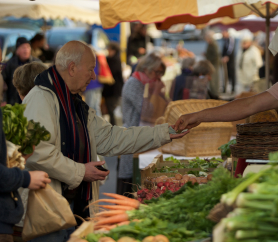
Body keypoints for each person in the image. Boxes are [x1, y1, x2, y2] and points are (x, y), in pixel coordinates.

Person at [20, 41, 187, 242]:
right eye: (90, 69)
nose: (93, 76)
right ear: (72, 68)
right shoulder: (41, 99)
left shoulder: (75, 104)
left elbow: (113, 137)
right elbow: (37, 153)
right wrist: (82, 171)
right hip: (48, 213)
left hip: (71, 207)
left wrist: (163, 133)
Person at [0, 48, 51, 242]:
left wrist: (20, 161)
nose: (3, 85)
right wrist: (25, 176)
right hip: (24, 211)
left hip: (19, 213)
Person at [119, 52, 166, 196]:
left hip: (141, 138)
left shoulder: (145, 84)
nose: (159, 77)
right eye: (157, 72)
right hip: (132, 139)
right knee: (129, 182)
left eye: (161, 73)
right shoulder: (134, 84)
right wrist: (157, 92)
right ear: (147, 69)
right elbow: (147, 111)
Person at [2, 37, 41, 105]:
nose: (26, 50)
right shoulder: (10, 64)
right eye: (23, 47)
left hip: (33, 103)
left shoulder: (37, 64)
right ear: (17, 50)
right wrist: (3, 100)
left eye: (28, 47)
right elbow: (3, 83)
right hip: (14, 103)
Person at [102, 42, 124, 126]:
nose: (107, 50)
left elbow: (111, 73)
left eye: (109, 49)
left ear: (113, 50)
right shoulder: (114, 59)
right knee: (111, 111)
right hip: (112, 91)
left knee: (112, 111)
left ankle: (114, 128)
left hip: (112, 91)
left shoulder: (113, 60)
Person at [205, 30, 220, 97]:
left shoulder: (213, 44)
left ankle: (215, 94)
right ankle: (213, 92)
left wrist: (209, 60)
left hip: (214, 64)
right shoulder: (210, 44)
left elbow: (216, 55)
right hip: (211, 63)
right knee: (212, 79)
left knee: (214, 79)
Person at [221, 29, 236, 93]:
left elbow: (230, 49)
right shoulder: (225, 40)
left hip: (230, 60)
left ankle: (232, 88)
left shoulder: (231, 39)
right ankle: (225, 87)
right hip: (225, 60)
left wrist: (227, 56)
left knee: (231, 73)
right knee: (225, 74)